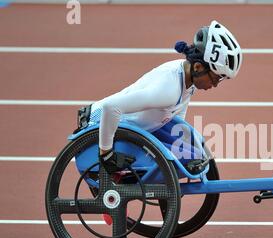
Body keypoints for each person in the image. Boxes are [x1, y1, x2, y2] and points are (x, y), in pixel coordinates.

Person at [83, 20, 243, 174]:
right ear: (198, 67)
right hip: (101, 124)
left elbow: (177, 117)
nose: (215, 85)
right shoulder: (168, 91)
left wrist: (185, 144)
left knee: (191, 154)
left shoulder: (188, 79)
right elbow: (110, 107)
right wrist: (106, 155)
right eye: (215, 78)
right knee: (180, 158)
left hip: (142, 126)